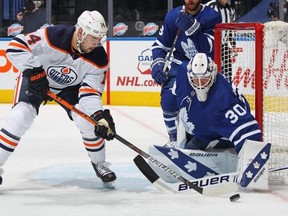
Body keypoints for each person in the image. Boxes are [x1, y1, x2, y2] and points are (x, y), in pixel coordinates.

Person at [0, 10, 117, 188]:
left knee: (89, 123)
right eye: (93, 37)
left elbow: (91, 91)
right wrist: (33, 72)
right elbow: (16, 46)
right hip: (36, 79)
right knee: (19, 117)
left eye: (100, 37)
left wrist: (98, 115)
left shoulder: (99, 58)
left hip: (69, 88)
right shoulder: (53, 36)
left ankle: (99, 163)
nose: (97, 42)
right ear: (80, 32)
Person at [150, 0, 222, 147]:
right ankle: (174, 140)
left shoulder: (212, 16)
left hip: (205, 67)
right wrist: (158, 62)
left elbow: (210, 49)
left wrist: (194, 31)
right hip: (181, 65)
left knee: (205, 107)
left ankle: (207, 139)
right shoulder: (173, 16)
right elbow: (160, 45)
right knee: (168, 102)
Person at [175, 53, 261, 153]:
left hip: (223, 132)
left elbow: (250, 131)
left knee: (189, 150)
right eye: (195, 80)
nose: (200, 85)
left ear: (213, 74)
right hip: (203, 125)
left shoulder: (222, 99)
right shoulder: (182, 71)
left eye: (204, 80)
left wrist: (249, 162)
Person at [206, 0, 236, 79]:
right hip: (210, 45)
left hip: (224, 45)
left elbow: (231, 27)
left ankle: (228, 87)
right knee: (210, 68)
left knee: (228, 70)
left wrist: (233, 44)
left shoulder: (230, 9)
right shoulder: (211, 5)